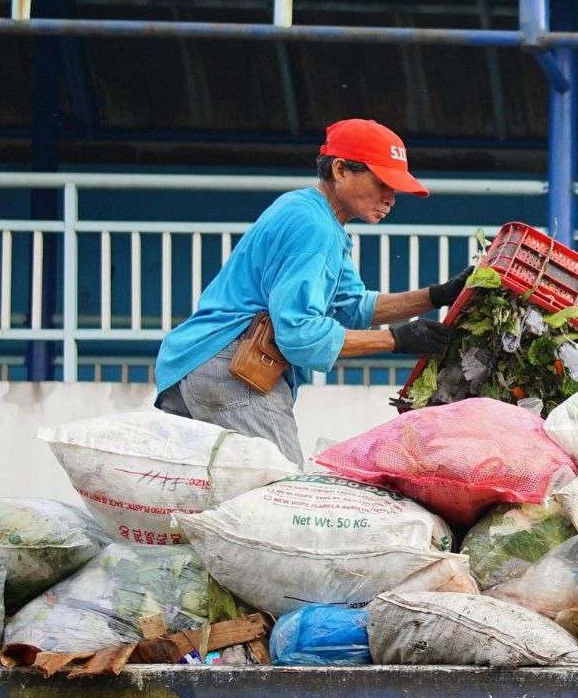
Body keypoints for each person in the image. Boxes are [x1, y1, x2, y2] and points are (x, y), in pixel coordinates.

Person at [154, 118, 466, 463]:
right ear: (341, 170)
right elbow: (300, 336)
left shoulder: (313, 214)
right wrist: (397, 340)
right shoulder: (313, 228)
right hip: (231, 369)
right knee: (280, 494)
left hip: (195, 365)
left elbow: (351, 306)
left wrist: (437, 295)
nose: (391, 198)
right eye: (382, 183)